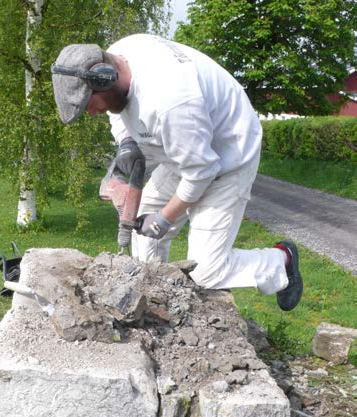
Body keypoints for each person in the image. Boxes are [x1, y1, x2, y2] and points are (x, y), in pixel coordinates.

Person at [51, 34, 303, 311]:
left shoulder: (172, 101)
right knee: (143, 239)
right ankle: (158, 302)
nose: (92, 113)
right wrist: (126, 142)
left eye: (90, 104)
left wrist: (163, 218)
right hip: (184, 151)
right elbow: (117, 112)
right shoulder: (116, 55)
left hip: (228, 155)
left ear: (105, 79)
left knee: (207, 271)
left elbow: (202, 172)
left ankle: (280, 261)